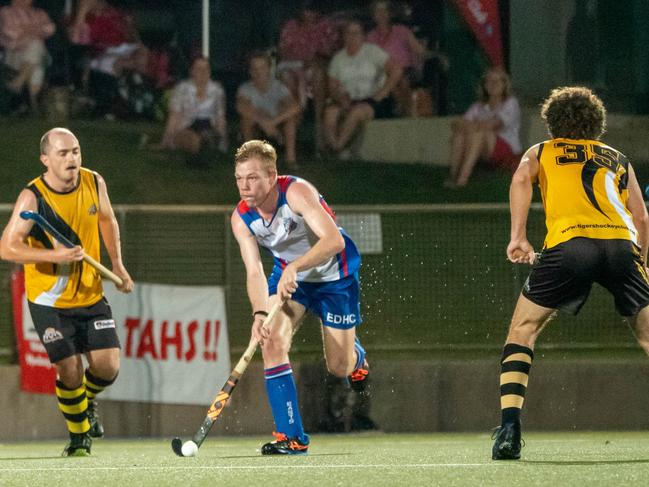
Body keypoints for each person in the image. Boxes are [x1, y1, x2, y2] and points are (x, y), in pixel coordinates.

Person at [491, 86, 649, 460]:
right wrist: (642, 260)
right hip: (622, 245)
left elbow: (519, 180)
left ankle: (509, 429)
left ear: (552, 123)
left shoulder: (542, 151)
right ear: (598, 123)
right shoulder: (617, 157)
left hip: (570, 245)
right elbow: (641, 217)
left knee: (523, 329)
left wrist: (518, 237)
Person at [0, 128, 134, 456]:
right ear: (46, 160)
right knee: (69, 368)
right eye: (63, 154)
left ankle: (84, 404)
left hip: (89, 293)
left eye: (75, 151)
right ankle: (79, 439)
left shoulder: (94, 181)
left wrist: (117, 264)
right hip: (49, 301)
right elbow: (7, 248)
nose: (72, 158)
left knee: (107, 367)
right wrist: (54, 256)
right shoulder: (33, 197)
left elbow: (107, 220)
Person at [231, 139, 369, 455]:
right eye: (239, 178)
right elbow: (253, 271)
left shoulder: (296, 193)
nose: (244, 186)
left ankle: (357, 358)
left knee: (339, 367)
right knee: (272, 340)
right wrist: (259, 314)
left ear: (272, 175)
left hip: (335, 278)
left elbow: (333, 240)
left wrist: (297, 265)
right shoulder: (241, 218)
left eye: (252, 177)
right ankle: (291, 437)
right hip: (289, 278)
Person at [324, 19, 402, 159]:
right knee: (331, 112)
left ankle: (337, 147)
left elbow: (396, 70)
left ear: (362, 35)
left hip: (373, 99)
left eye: (356, 33)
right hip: (349, 98)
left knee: (357, 112)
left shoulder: (373, 52)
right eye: (349, 33)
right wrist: (341, 98)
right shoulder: (338, 59)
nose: (352, 37)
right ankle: (335, 145)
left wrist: (382, 92)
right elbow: (332, 86)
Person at [277, 1, 340, 151]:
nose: (309, 14)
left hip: (316, 66)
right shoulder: (291, 26)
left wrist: (315, 59)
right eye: (306, 10)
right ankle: (292, 123)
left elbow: (331, 50)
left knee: (317, 74)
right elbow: (283, 51)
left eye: (312, 10)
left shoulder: (326, 26)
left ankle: (318, 124)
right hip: (292, 66)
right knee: (287, 77)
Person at [444, 67, 521, 188]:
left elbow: (495, 124)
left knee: (479, 133)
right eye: (489, 81)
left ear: (504, 84)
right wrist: (468, 127)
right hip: (483, 146)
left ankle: (462, 179)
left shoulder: (511, 103)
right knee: (460, 134)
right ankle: (453, 175)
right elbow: (456, 124)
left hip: (506, 149)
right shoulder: (478, 106)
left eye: (497, 81)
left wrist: (470, 127)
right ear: (484, 85)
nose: (493, 84)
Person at [156, 57, 227, 164]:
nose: (203, 72)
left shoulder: (217, 90)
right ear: (192, 71)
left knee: (208, 136)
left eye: (206, 69)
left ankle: (204, 151)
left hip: (208, 125)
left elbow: (220, 116)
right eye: (199, 69)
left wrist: (222, 139)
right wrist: (166, 139)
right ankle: (200, 151)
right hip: (187, 126)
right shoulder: (181, 89)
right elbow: (174, 116)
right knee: (192, 139)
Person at [236, 52, 301, 168]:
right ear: (250, 71)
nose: (259, 72)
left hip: (276, 126)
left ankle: (290, 159)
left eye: (262, 68)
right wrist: (263, 122)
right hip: (258, 127)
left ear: (269, 69)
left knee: (290, 119)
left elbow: (294, 106)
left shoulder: (279, 87)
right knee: (246, 119)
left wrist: (272, 123)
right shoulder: (246, 89)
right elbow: (241, 107)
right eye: (255, 68)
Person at [367, 0, 426, 116]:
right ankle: (408, 112)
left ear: (390, 14)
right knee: (393, 78)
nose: (382, 13)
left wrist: (436, 55)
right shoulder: (370, 37)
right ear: (373, 15)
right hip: (382, 73)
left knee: (401, 78)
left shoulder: (401, 30)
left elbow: (420, 51)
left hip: (406, 70)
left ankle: (400, 108)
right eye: (378, 10)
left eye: (385, 10)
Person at [0, 0, 55, 111]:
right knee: (37, 55)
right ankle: (32, 103)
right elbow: (11, 32)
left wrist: (25, 30)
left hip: (36, 55)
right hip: (14, 54)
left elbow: (50, 28)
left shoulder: (39, 13)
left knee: (36, 46)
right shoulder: (6, 12)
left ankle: (18, 83)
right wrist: (35, 30)